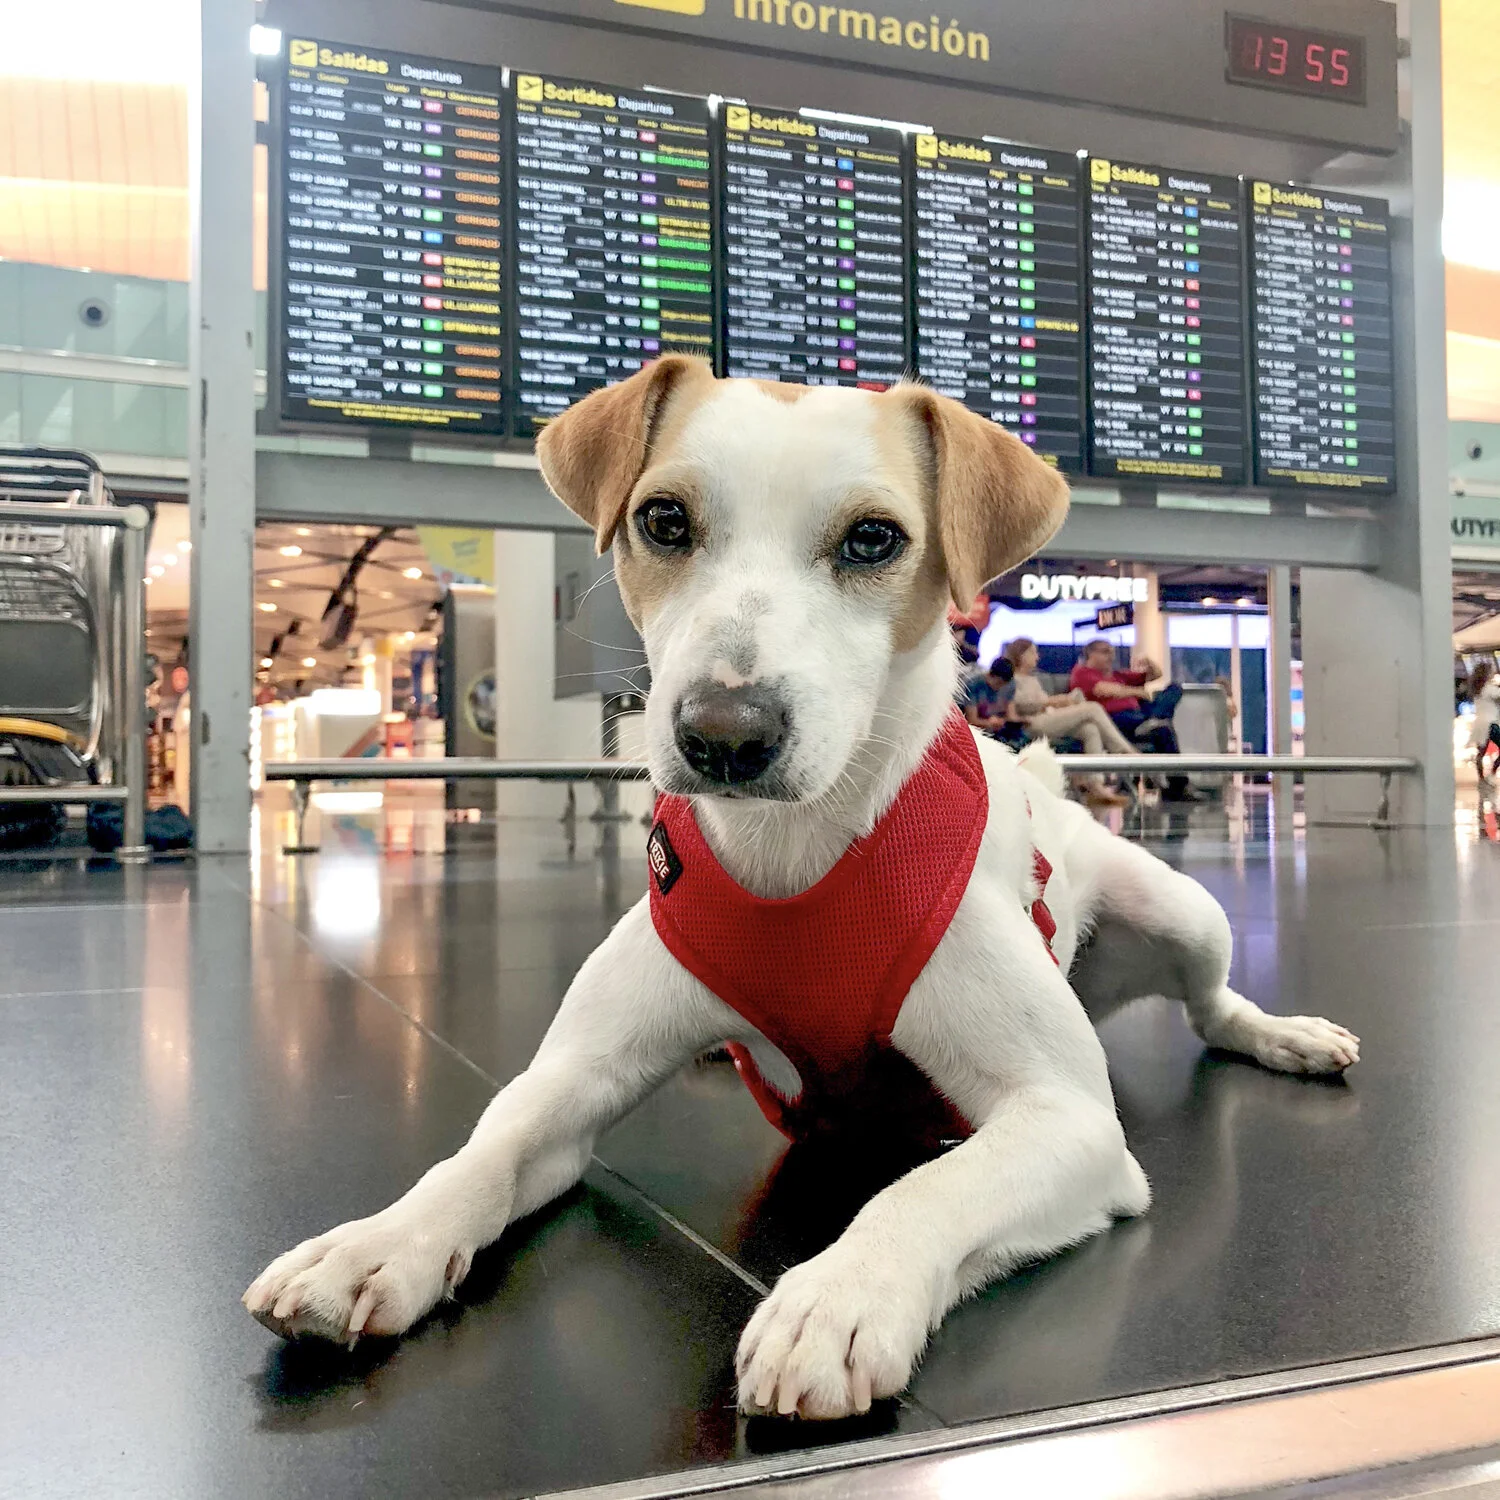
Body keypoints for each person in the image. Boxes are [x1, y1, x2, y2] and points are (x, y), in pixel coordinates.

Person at [1003, 638, 1133, 809]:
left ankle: (1096, 785)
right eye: (1033, 653)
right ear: (1021, 655)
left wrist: (1059, 702)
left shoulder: (1032, 679)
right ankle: (1125, 751)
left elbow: (1042, 702)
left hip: (1047, 717)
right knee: (1092, 708)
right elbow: (1022, 704)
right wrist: (1053, 701)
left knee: (1090, 729)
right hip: (1032, 723)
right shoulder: (1013, 678)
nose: (1037, 657)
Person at [1070, 639, 1200, 803]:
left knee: (1174, 689)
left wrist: (1148, 662)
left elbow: (1156, 674)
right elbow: (1103, 690)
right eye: (1105, 652)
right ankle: (1178, 788)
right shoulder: (1083, 673)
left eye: (1111, 652)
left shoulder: (1118, 675)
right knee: (1163, 731)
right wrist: (1136, 692)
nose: (1110, 656)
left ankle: (1154, 719)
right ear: (1090, 654)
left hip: (1139, 715)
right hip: (1114, 720)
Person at [962, 657, 1020, 741]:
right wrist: (988, 723)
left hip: (1001, 730)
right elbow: (971, 720)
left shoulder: (1010, 685)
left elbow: (1010, 715)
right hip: (980, 730)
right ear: (990, 674)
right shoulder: (974, 684)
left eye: (1004, 685)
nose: (1000, 687)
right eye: (998, 683)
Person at [1471, 662, 1500, 784]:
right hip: (1491, 723)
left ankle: (1481, 778)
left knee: (1481, 753)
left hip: (1479, 724)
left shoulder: (1476, 689)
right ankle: (1492, 773)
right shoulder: (1490, 689)